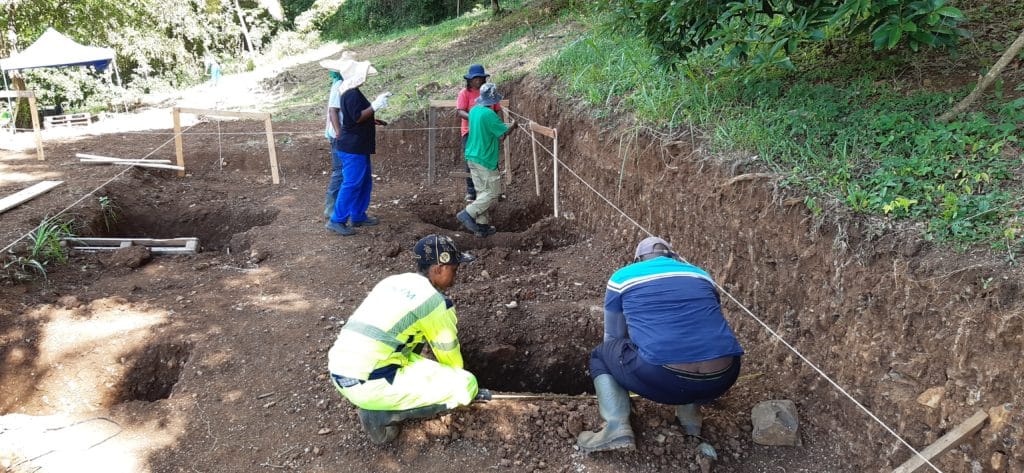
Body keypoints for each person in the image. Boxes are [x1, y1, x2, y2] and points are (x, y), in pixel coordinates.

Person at [577, 236, 744, 454]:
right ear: (674, 257)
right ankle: (690, 423)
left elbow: (614, 336)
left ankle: (616, 426)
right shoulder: (701, 275)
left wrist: (622, 376)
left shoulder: (622, 278)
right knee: (691, 338)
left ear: (638, 260)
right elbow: (704, 324)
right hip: (724, 376)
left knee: (601, 355)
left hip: (663, 378)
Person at [327, 234, 487, 443]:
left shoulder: (393, 281)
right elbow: (451, 359)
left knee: (424, 365)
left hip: (341, 369)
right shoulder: (434, 302)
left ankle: (384, 398)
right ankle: (379, 414)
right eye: (453, 270)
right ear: (439, 267)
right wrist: (460, 385)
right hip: (367, 383)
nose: (455, 276)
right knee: (466, 385)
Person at [324, 56, 390, 236]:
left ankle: (358, 215)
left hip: (359, 145)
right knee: (352, 183)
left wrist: (372, 119)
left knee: (363, 181)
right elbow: (357, 116)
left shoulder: (349, 91)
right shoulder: (350, 93)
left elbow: (355, 117)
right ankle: (336, 220)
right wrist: (375, 105)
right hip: (353, 147)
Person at [455, 83, 516, 238]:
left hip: (472, 156)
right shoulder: (489, 115)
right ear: (492, 100)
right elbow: (502, 134)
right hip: (485, 159)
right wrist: (513, 126)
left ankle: (482, 227)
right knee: (493, 192)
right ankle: (468, 213)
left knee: (482, 191)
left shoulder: (474, 110)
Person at [456, 64, 502, 202]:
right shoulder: (464, 93)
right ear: (470, 80)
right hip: (469, 131)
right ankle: (471, 191)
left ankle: (493, 190)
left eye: (480, 78)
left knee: (491, 157)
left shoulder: (489, 92)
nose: (478, 80)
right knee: (472, 159)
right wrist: (476, 119)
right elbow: (460, 111)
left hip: (487, 131)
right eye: (475, 78)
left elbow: (496, 110)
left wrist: (495, 125)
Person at [319, 52, 355, 219]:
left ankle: (338, 206)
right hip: (338, 135)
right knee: (339, 171)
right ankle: (331, 207)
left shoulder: (344, 84)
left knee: (343, 171)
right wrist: (339, 133)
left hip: (341, 133)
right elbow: (333, 110)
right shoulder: (339, 84)